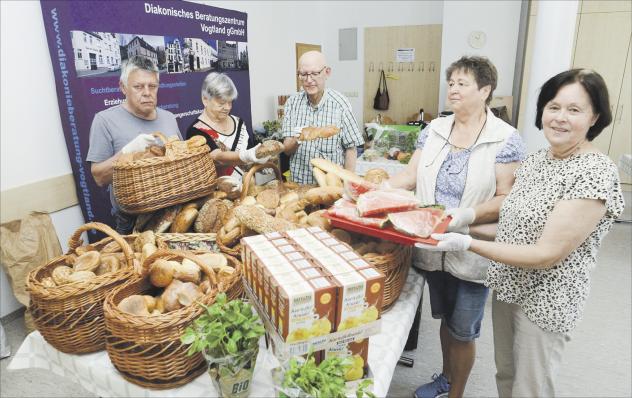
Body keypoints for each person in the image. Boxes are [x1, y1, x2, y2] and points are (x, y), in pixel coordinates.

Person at [418, 69, 625, 397]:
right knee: (506, 376)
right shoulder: (536, 161)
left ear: (595, 117)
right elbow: (515, 229)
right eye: (553, 107)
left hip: (546, 299)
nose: (559, 118)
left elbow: (545, 253)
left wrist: (468, 242)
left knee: (531, 387)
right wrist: (460, 223)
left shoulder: (595, 172)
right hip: (510, 287)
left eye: (574, 110)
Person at [385, 56, 525, 398]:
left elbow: (507, 196)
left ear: (485, 90)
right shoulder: (434, 129)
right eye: (451, 83)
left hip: (471, 246)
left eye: (463, 83)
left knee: (464, 330)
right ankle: (446, 379)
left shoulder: (505, 138)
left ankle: (457, 392)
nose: (453, 89)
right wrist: (379, 190)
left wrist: (466, 215)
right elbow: (410, 175)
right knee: (446, 321)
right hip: (433, 246)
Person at [87, 55, 181, 235]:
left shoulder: (169, 118)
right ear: (123, 87)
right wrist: (128, 151)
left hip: (175, 212)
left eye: (152, 86)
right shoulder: (105, 120)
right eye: (138, 86)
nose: (147, 92)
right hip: (133, 223)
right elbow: (99, 177)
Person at [282, 50, 364, 185]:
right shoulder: (292, 103)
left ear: (327, 72)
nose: (309, 80)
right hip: (299, 186)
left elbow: (351, 149)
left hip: (331, 187)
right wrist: (299, 138)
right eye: (303, 74)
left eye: (314, 73)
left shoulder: (340, 104)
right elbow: (287, 150)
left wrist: (347, 186)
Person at [186, 72, 269, 180]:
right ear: (205, 99)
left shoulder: (239, 122)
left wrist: (262, 163)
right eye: (221, 103)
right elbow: (218, 157)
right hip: (218, 194)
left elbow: (250, 155)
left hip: (248, 190)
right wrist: (247, 155)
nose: (227, 108)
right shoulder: (195, 131)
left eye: (230, 102)